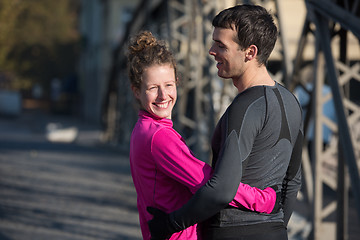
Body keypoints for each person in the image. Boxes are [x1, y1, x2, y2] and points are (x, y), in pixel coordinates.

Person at [147, 4, 303, 240]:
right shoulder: (292, 102)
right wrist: (274, 228)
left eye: (221, 46)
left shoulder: (244, 107)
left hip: (230, 232)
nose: (211, 51)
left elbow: (222, 189)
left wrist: (171, 223)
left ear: (250, 52)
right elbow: (292, 183)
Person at [128, 31, 278, 240]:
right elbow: (211, 183)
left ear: (177, 81)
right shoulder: (158, 137)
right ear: (137, 91)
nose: (163, 95)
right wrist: (263, 199)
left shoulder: (142, 129)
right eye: (153, 88)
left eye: (169, 85)